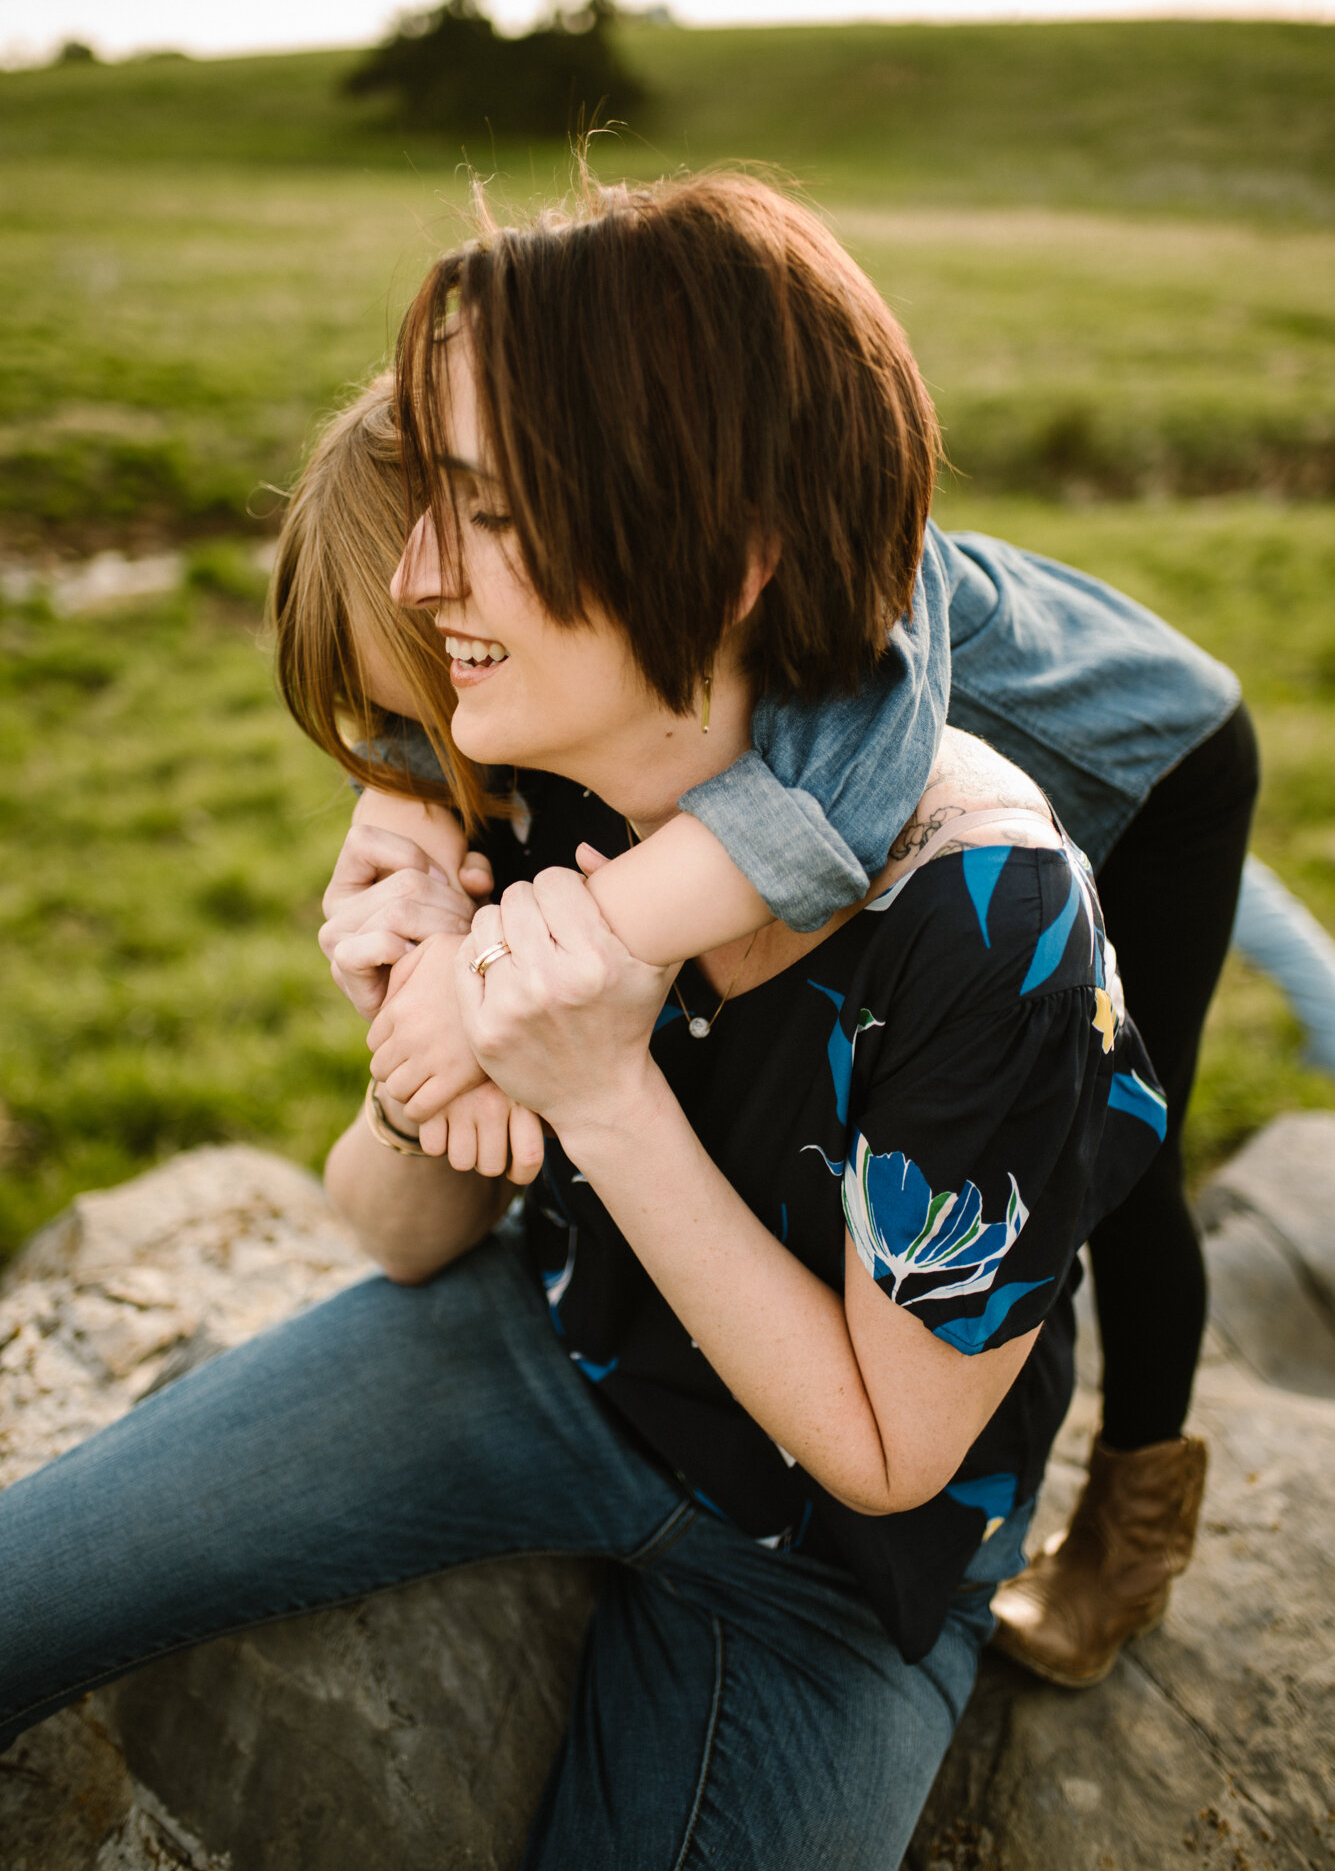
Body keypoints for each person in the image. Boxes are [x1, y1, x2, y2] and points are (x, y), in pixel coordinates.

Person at [1, 174, 1167, 1867]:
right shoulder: (527, 785)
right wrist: (421, 1046)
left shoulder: (992, 919)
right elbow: (399, 1236)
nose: (418, 569)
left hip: (822, 1577)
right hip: (537, 1356)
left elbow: (887, 1451)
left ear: (729, 543)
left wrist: (598, 1087)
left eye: (479, 505)